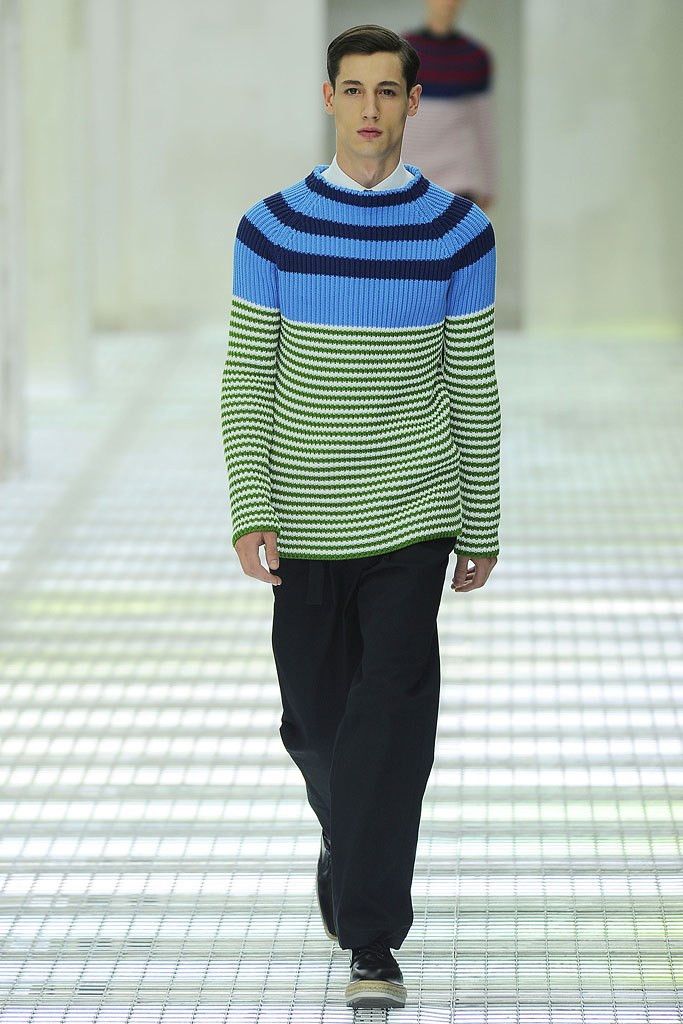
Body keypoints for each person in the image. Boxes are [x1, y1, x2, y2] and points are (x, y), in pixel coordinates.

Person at [220, 22, 501, 1010]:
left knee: (389, 721)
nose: (371, 109)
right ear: (328, 97)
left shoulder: (458, 233)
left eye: (389, 91)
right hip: (303, 522)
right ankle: (347, 839)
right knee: (314, 725)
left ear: (414, 102)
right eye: (354, 90)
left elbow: (471, 382)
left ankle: (372, 941)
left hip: (413, 516)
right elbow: (247, 376)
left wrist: (480, 519)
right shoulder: (270, 229)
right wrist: (250, 504)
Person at [400, 0, 497, 214]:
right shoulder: (403, 53)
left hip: (459, 180)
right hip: (410, 176)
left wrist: (488, 183)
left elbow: (483, 124)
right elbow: (391, 115)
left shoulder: (475, 58)